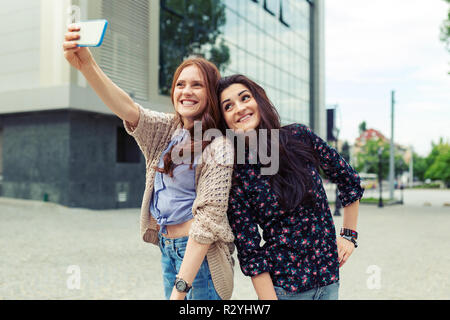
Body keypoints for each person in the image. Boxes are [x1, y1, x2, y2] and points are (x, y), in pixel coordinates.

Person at [63, 24, 235, 300]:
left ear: (211, 94)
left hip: (201, 258)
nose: (186, 91)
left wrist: (180, 291)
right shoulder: (168, 129)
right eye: (180, 84)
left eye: (197, 85)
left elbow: (208, 223)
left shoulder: (219, 145)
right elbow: (128, 108)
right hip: (168, 249)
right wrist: (86, 65)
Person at [216, 74, 364, 300]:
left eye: (245, 98)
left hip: (329, 282)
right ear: (225, 121)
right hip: (284, 291)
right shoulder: (237, 172)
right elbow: (250, 251)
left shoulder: (299, 137)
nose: (239, 108)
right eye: (228, 106)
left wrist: (349, 235)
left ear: (259, 100)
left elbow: (348, 178)